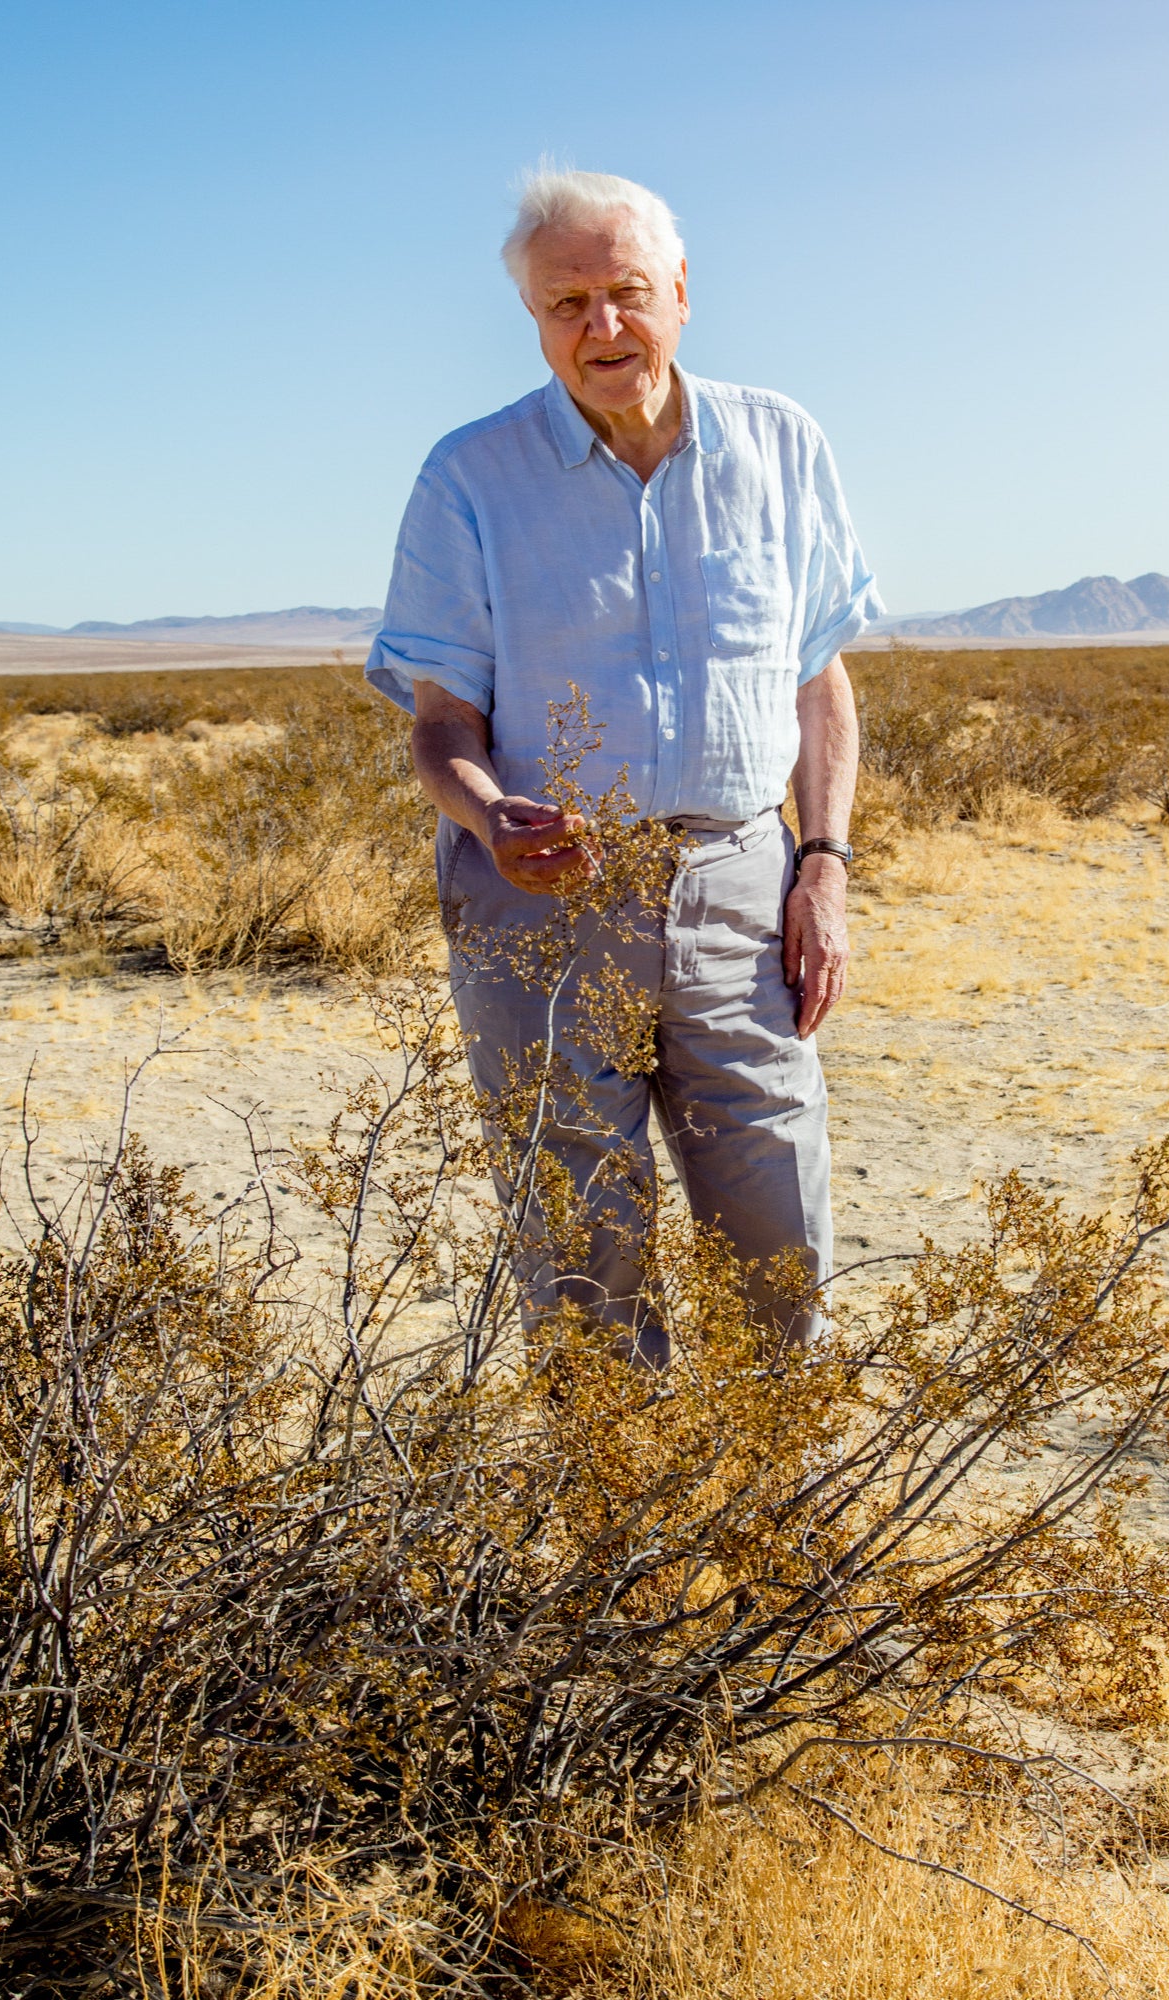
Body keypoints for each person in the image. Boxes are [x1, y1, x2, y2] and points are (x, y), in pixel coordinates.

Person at [364, 168, 880, 1361]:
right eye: (566, 304)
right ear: (535, 319)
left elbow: (817, 681)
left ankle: (780, 1521)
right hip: (540, 902)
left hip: (741, 891)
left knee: (777, 1239)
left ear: (682, 294)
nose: (601, 328)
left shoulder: (781, 446)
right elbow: (439, 721)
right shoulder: (468, 478)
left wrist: (823, 868)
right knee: (580, 1254)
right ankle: (619, 1529)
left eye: (626, 294)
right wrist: (493, 816)